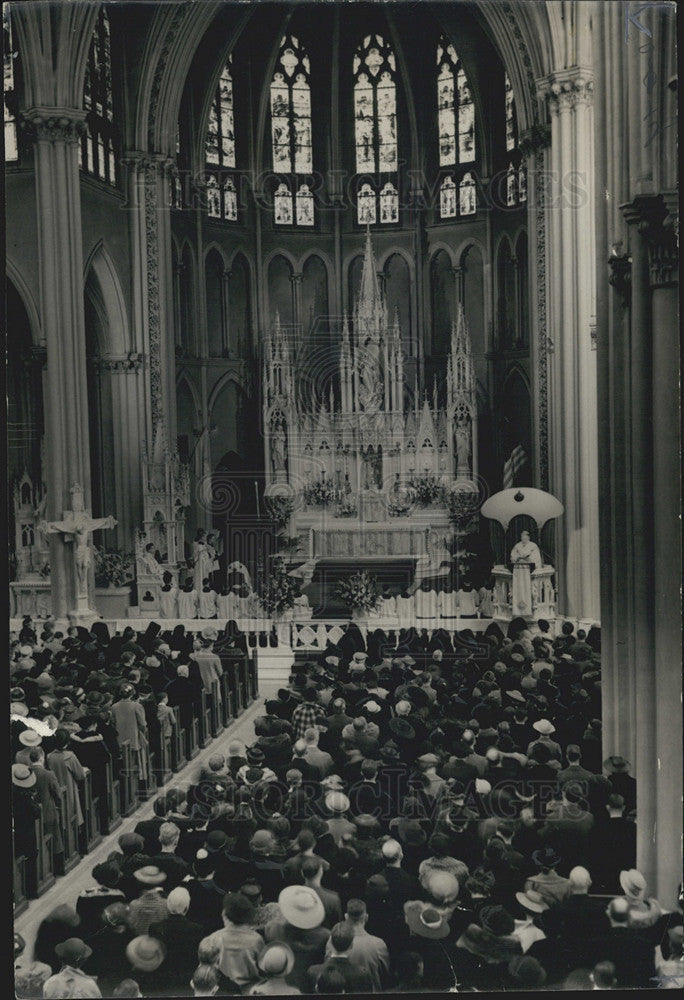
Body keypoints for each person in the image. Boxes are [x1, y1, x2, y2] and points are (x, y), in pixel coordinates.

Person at [200, 892, 264, 989]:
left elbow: (206, 971)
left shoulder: (213, 939)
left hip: (221, 990)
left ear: (225, 914)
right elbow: (263, 969)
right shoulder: (256, 940)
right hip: (250, 990)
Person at [510, 530, 543, 617]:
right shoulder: (517, 546)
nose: (523, 538)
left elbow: (536, 559)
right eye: (522, 536)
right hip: (519, 573)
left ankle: (531, 609)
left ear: (528, 537)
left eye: (525, 536)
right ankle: (517, 610)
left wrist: (528, 559)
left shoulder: (533, 546)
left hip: (529, 572)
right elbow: (513, 556)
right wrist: (519, 558)